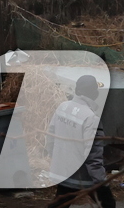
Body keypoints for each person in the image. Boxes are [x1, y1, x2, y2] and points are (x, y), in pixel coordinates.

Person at [49, 75, 112, 208]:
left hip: (62, 170)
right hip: (81, 175)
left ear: (77, 90)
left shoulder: (62, 107)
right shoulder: (91, 118)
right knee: (108, 204)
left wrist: (55, 160)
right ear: (93, 93)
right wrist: (101, 181)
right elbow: (93, 156)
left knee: (60, 202)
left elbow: (50, 136)